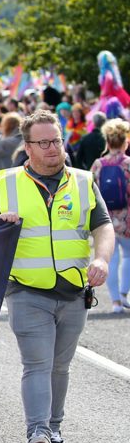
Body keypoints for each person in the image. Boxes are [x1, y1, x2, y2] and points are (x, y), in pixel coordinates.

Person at [0, 109, 113, 443]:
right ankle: (37, 430)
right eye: (44, 142)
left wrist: (101, 259)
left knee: (60, 365)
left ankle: (54, 426)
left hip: (74, 290)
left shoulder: (83, 181)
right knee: (37, 363)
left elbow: (103, 226)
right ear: (27, 147)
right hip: (27, 291)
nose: (54, 148)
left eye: (57, 140)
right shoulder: (7, 183)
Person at [90, 119, 130, 312]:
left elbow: (91, 192)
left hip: (105, 220)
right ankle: (124, 295)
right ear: (125, 142)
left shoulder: (98, 165)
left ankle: (115, 302)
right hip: (127, 219)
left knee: (111, 260)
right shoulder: (128, 164)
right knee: (128, 257)